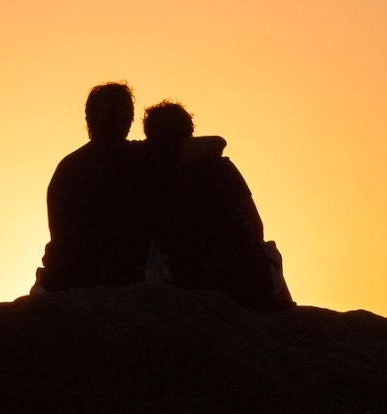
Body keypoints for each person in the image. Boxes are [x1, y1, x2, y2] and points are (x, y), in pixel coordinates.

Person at [141, 100, 293, 311]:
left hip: (187, 276)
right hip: (242, 276)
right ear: (190, 132)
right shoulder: (222, 168)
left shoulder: (148, 179)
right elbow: (256, 225)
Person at [34, 82, 149, 292]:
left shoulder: (67, 166)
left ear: (88, 120)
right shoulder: (140, 157)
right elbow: (216, 143)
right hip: (115, 279)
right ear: (129, 119)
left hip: (63, 278)